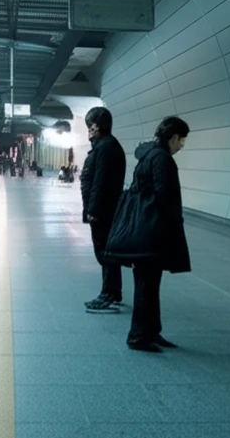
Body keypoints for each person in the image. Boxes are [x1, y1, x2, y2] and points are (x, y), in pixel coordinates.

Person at [105, 116, 191, 352]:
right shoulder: (162, 159)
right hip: (152, 232)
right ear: (173, 137)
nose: (182, 145)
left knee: (149, 285)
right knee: (147, 286)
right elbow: (164, 196)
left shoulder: (148, 156)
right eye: (181, 140)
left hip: (144, 230)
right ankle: (139, 336)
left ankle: (152, 332)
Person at [80, 106, 126, 313]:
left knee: (106, 252)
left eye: (91, 125)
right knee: (106, 252)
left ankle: (108, 293)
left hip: (103, 212)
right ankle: (113, 292)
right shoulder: (104, 146)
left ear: (99, 126)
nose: (89, 129)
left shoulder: (106, 147)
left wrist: (94, 210)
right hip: (103, 210)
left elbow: (100, 182)